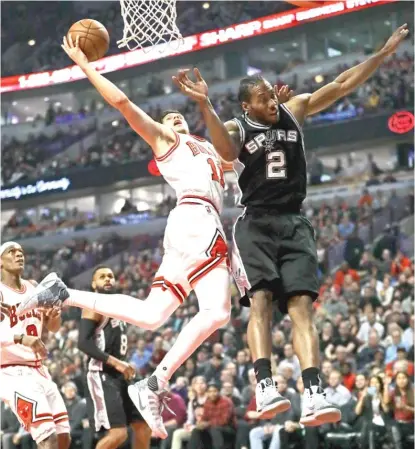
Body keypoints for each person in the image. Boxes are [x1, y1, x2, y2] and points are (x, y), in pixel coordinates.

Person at [171, 23, 409, 425]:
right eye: (263, 98)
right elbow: (227, 152)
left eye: (270, 94)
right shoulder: (237, 127)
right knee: (260, 302)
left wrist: (383, 54)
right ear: (247, 106)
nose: (271, 101)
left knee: (302, 308)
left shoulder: (293, 109)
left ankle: (313, 391)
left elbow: (342, 84)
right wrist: (204, 106)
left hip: (295, 222)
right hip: (256, 225)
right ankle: (265, 386)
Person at [17, 33, 232, 440]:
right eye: (167, 118)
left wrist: (208, 104)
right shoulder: (169, 142)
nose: (174, 120)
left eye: (177, 116)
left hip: (194, 224)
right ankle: (157, 381)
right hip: (195, 217)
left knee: (152, 316)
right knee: (218, 312)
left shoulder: (207, 147)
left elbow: (237, 157)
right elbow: (123, 104)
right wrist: (84, 66)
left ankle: (64, 293)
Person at [0, 242, 71, 449]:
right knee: (47, 439)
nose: (18, 255)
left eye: (21, 252)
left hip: (39, 369)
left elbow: (53, 327)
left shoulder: (34, 287)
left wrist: (54, 316)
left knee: (63, 438)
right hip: (11, 372)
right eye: (11, 252)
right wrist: (21, 338)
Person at [77, 266, 151, 449]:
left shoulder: (119, 306)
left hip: (120, 374)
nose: (108, 279)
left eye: (110, 276)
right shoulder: (93, 305)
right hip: (101, 374)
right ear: (94, 284)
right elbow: (83, 343)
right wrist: (117, 363)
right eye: (102, 277)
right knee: (118, 433)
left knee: (143, 427)